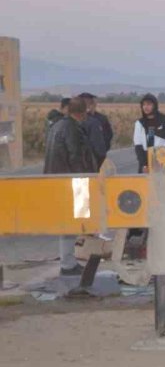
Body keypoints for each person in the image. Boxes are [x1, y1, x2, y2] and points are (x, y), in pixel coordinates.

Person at [43, 97, 97, 276]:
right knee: (71, 224)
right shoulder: (72, 129)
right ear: (82, 113)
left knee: (66, 224)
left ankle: (68, 260)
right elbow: (75, 157)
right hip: (72, 183)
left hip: (55, 181)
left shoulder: (56, 126)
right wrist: (85, 180)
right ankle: (67, 264)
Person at [133, 93, 165, 172]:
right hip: (146, 163)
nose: (146, 107)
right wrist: (144, 164)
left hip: (163, 161)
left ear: (155, 105)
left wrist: (159, 157)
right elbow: (138, 145)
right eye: (144, 105)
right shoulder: (139, 123)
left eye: (149, 104)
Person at [78, 92, 112, 168]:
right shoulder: (77, 119)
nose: (87, 105)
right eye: (84, 103)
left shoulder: (101, 119)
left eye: (89, 103)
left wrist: (103, 148)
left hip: (97, 156)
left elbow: (108, 135)